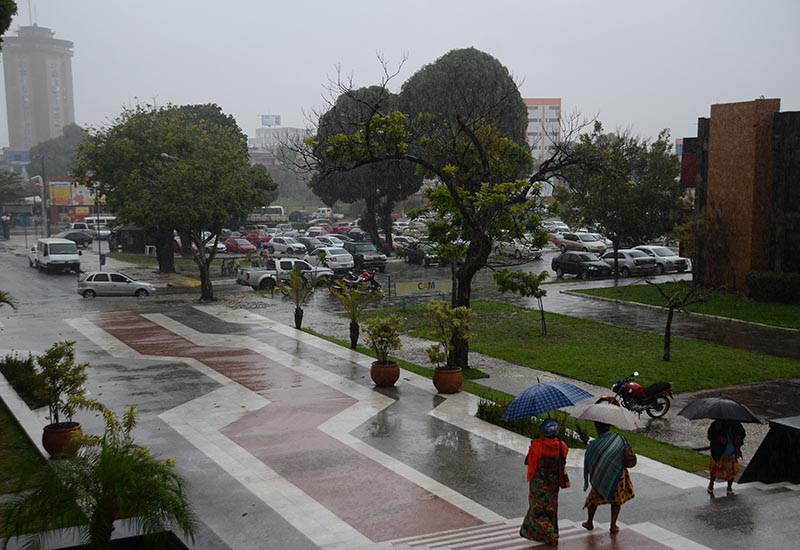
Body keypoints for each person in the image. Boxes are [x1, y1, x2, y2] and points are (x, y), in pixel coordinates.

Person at [520, 418, 569, 546]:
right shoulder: (562, 446)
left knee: (536, 511)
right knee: (551, 509)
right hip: (553, 484)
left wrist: (531, 448)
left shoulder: (537, 445)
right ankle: (548, 533)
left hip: (539, 484)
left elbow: (529, 463)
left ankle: (551, 534)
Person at [582, 421, 635, 535]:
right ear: (609, 426)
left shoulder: (594, 445)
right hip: (617, 477)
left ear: (597, 427)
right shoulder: (619, 439)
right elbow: (628, 450)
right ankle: (613, 525)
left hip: (599, 478)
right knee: (616, 501)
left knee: (593, 500)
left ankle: (589, 522)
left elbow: (589, 461)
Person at [707, 419, 745, 496]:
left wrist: (739, 439)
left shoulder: (736, 425)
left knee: (731, 471)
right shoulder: (716, 424)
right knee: (714, 469)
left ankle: (729, 488)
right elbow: (710, 436)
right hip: (718, 452)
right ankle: (711, 484)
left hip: (731, 452)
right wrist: (719, 439)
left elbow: (742, 434)